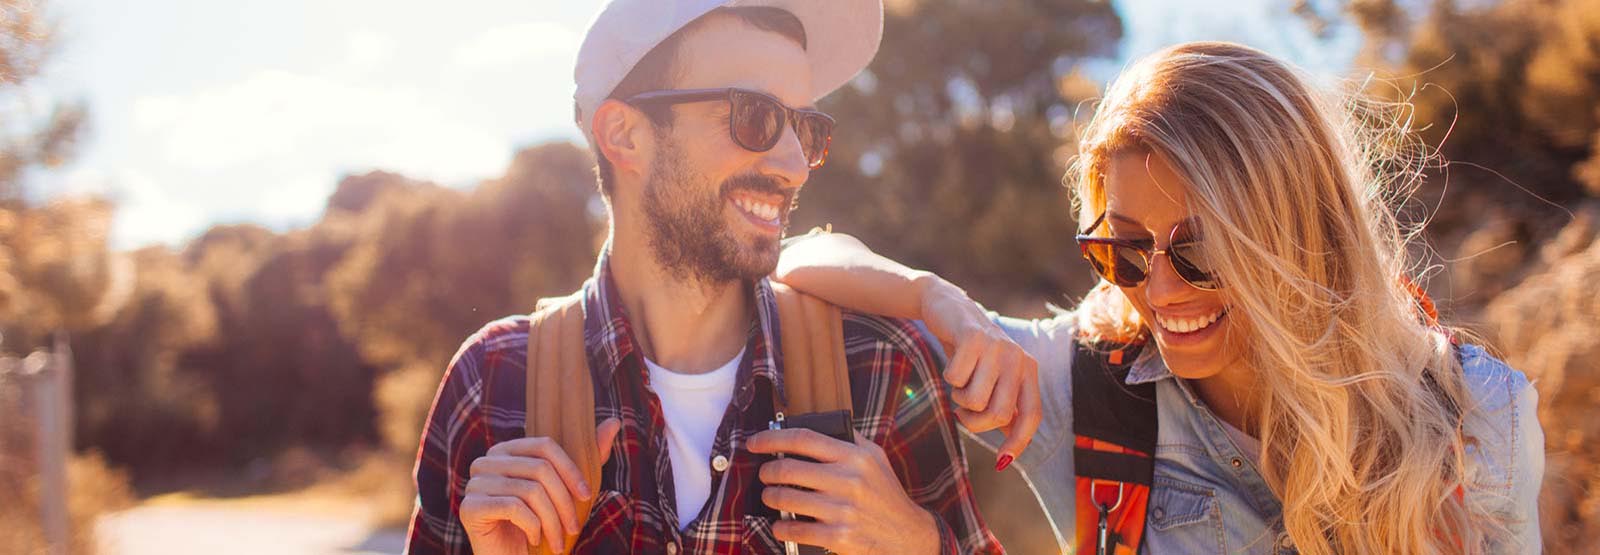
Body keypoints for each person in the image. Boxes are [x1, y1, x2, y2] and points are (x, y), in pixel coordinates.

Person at [774, 41, 1544, 554]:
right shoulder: (1084, 388)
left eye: (1199, 248)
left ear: (1299, 231)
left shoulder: (1480, 426)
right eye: (1125, 248)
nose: (1161, 289)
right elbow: (802, 258)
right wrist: (938, 299)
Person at [404, 1, 1009, 554]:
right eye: (756, 117)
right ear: (624, 135)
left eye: (806, 128)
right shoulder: (492, 383)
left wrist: (919, 544)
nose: (796, 166)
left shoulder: (879, 366)